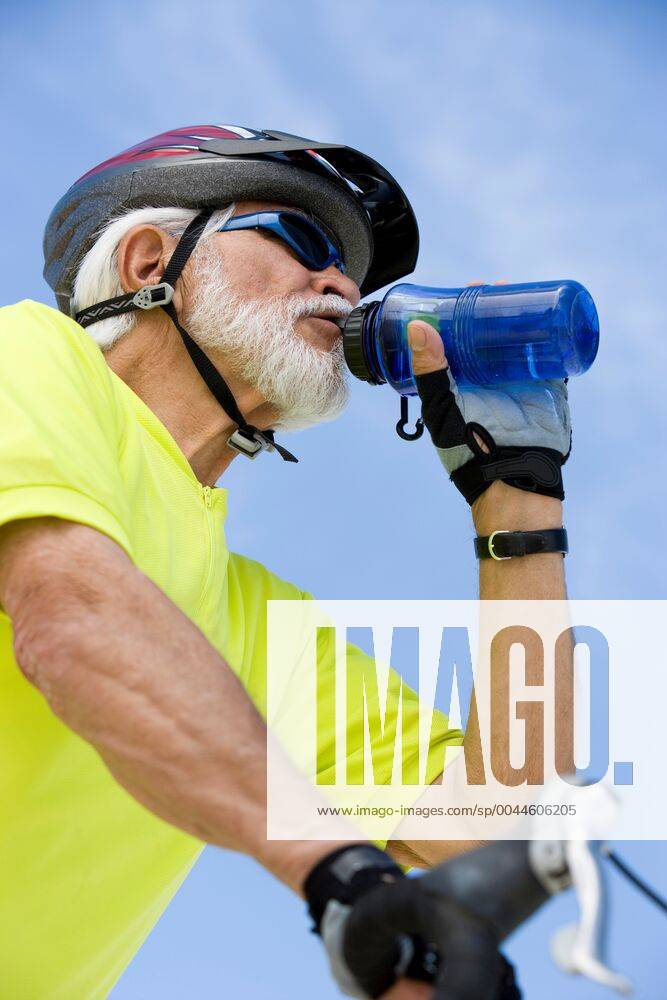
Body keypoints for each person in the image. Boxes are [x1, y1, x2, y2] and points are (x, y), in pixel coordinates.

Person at [0, 125, 572, 999]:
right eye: (300, 240)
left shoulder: (249, 616)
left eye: (352, 272)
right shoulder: (28, 356)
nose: (342, 284)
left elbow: (478, 823)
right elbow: (71, 616)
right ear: (150, 261)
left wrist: (519, 500)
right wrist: (336, 873)